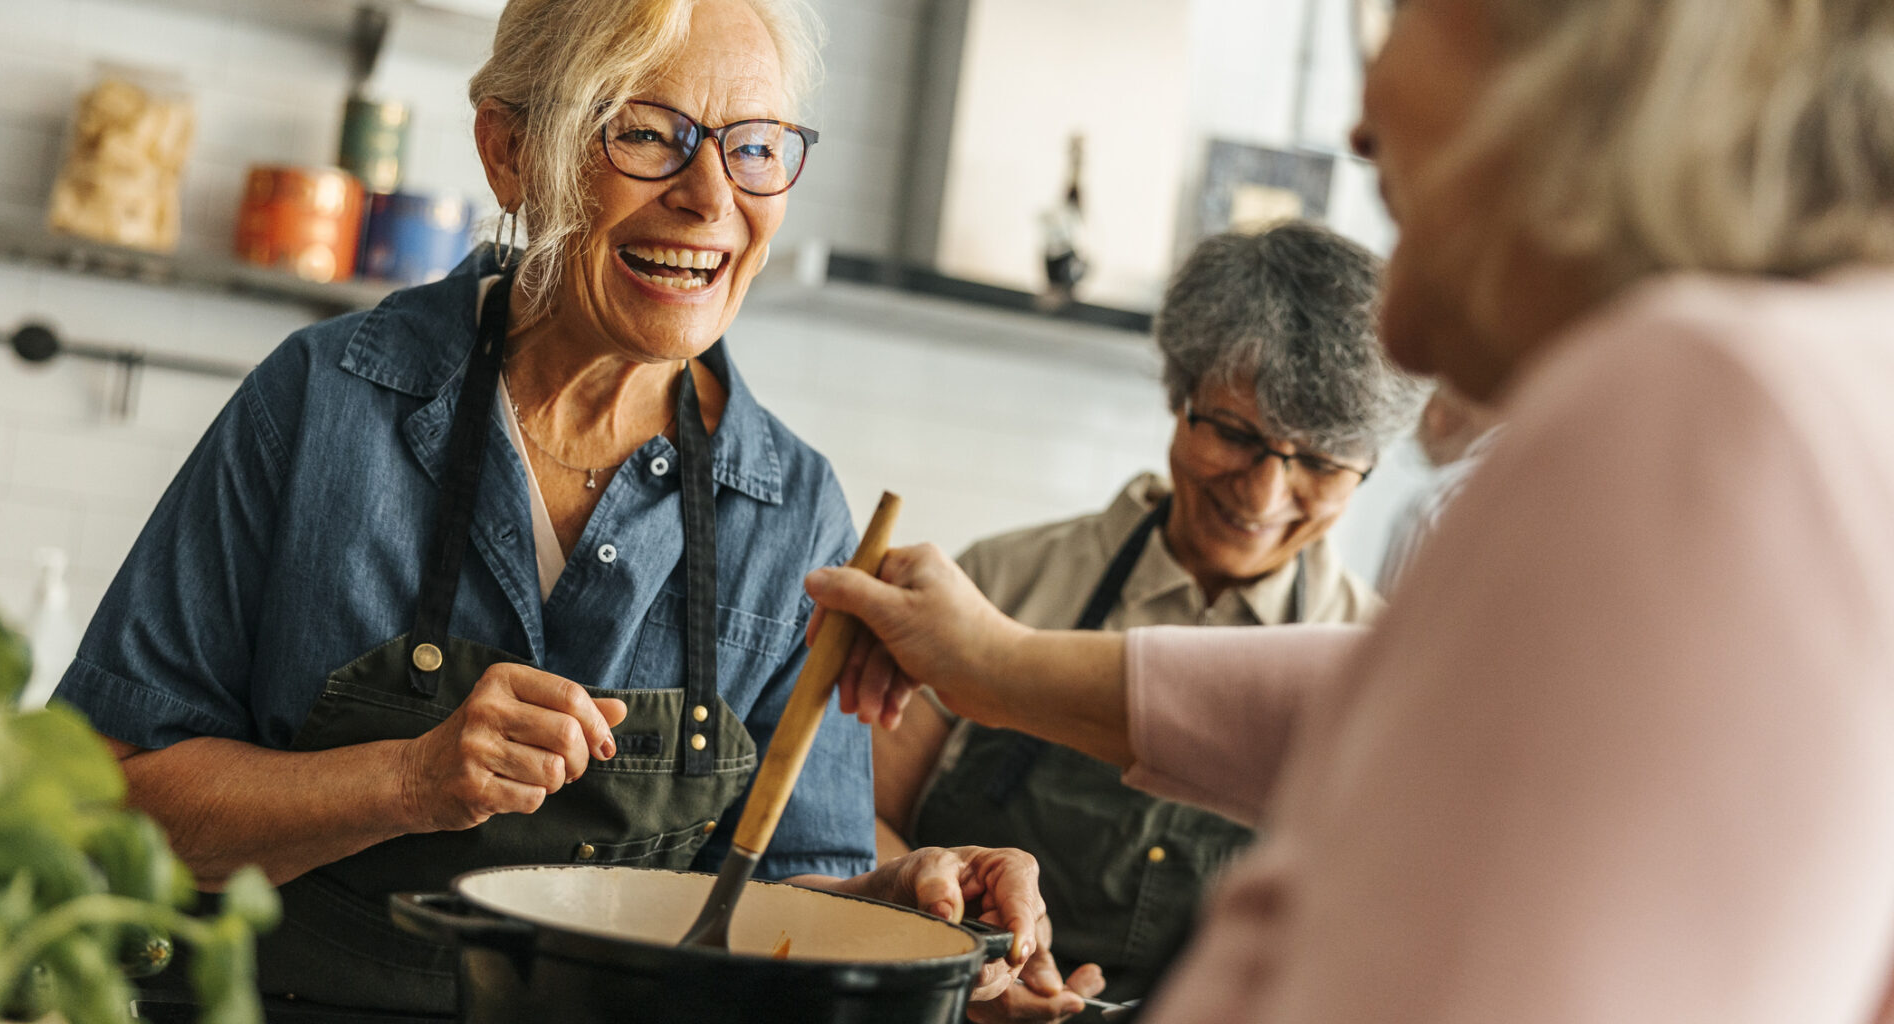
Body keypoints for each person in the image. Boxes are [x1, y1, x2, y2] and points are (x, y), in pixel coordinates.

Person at [806, 0, 1894, 1021]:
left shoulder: (1704, 411)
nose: (1358, 120)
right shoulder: (1828, 389)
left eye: (1407, 11)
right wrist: (997, 665)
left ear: (1585, 68)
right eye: (1234, 433)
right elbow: (1390, 700)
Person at [53, 0, 1040, 1013]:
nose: (711, 198)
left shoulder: (793, 509)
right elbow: (101, 803)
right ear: (510, 151)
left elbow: (777, 902)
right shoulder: (320, 405)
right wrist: (407, 781)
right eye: (646, 133)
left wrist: (898, 909)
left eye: (754, 147)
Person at [873, 223, 1422, 1020]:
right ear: (1179, 395)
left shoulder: (1389, 669)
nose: (1265, 495)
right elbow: (863, 818)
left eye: (1320, 462)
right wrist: (953, 944)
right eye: (1235, 434)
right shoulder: (998, 583)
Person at [1376, 381, 1500, 593]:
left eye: (1429, 458)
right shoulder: (1549, 481)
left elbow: (1398, 610)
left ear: (1435, 416)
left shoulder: (1435, 504)